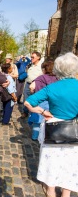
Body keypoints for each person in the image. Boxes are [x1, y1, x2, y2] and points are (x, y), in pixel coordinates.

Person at [24, 52, 78, 197]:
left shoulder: (52, 87)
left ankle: (51, 190)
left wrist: (42, 112)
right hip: (73, 130)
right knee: (71, 163)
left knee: (51, 162)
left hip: (53, 129)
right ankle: (66, 193)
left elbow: (28, 102)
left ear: (58, 69)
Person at [28, 60, 57, 140]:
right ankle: (46, 137)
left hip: (41, 102)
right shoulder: (57, 78)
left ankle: (35, 137)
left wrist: (33, 93)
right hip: (52, 103)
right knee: (49, 120)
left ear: (44, 69)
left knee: (38, 121)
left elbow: (31, 86)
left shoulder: (41, 77)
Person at [21, 51, 42, 118]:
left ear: (38, 57)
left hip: (36, 85)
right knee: (26, 98)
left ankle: (34, 112)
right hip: (28, 84)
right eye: (31, 57)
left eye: (33, 57)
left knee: (35, 99)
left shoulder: (41, 66)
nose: (31, 58)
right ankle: (25, 112)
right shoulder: (31, 65)